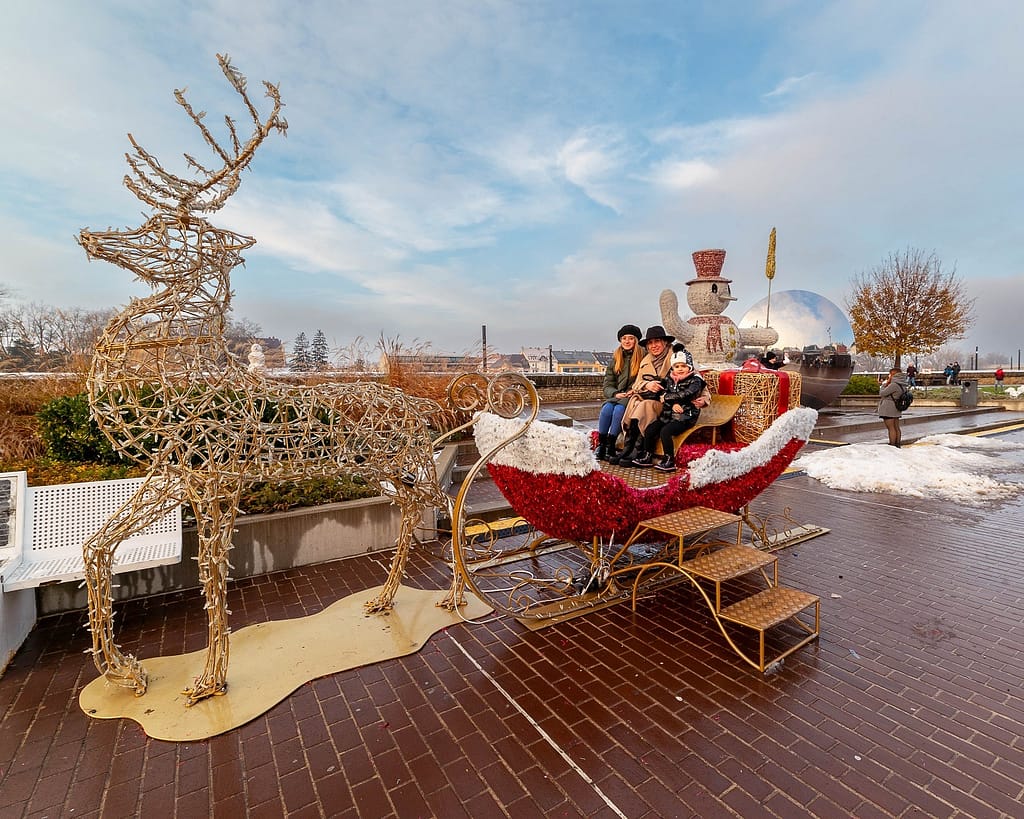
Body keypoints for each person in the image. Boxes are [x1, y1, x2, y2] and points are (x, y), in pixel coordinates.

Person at [630, 346, 711, 471]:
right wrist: (671, 402)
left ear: (689, 367)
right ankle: (647, 455)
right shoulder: (670, 379)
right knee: (650, 429)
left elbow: (688, 394)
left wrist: (668, 398)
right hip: (667, 414)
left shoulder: (695, 380)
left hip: (685, 416)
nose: (680, 369)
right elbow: (661, 395)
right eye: (677, 366)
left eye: (683, 366)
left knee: (665, 432)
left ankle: (669, 459)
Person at [607, 325, 675, 465]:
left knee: (644, 405)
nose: (653, 346)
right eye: (650, 343)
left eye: (657, 342)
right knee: (635, 402)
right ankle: (629, 447)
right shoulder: (646, 360)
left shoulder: (675, 357)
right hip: (649, 399)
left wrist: (704, 399)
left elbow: (695, 377)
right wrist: (646, 384)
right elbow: (636, 384)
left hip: (668, 403)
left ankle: (638, 450)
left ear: (665, 342)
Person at [595, 324, 642, 460]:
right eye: (624, 338)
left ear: (636, 340)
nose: (627, 341)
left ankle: (611, 446)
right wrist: (615, 393)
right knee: (607, 409)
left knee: (619, 411)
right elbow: (607, 384)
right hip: (618, 394)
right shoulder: (616, 358)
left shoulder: (642, 356)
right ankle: (602, 445)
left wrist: (633, 390)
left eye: (631, 338)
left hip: (633, 395)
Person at [878, 366, 909, 447]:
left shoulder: (894, 385)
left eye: (889, 374)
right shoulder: (903, 384)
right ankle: (897, 443)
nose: (888, 376)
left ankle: (892, 444)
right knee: (896, 427)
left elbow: (882, 393)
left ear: (893, 375)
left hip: (888, 408)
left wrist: (883, 385)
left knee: (891, 428)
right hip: (896, 407)